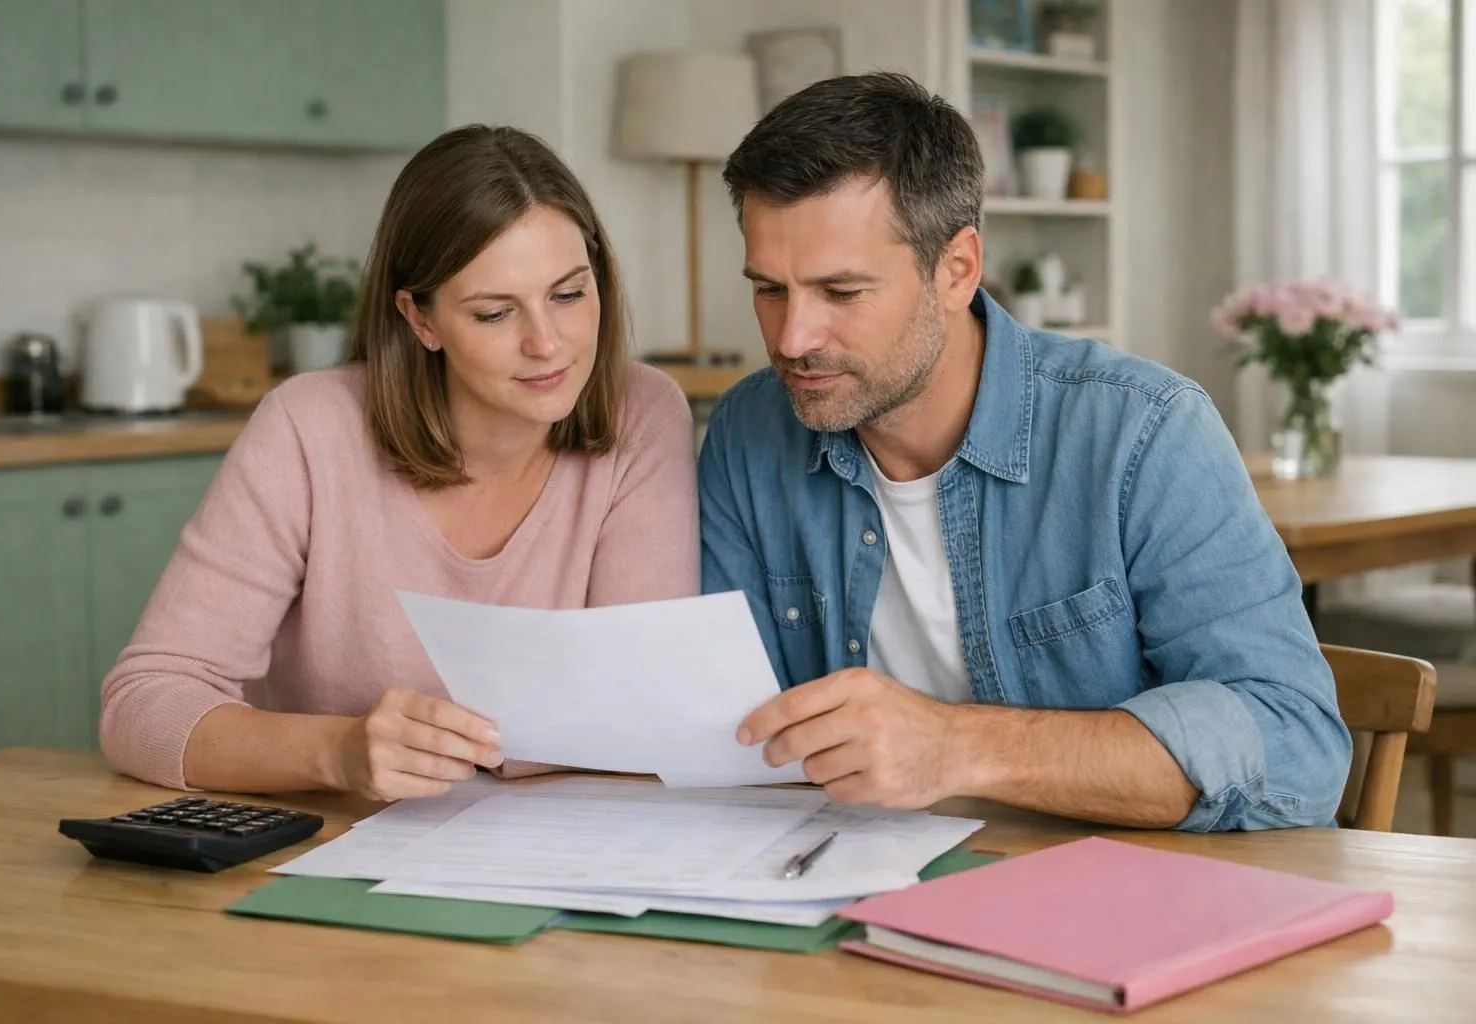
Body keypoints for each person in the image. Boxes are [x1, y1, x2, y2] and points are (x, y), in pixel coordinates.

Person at [701, 72, 1350, 831]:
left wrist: (954, 745)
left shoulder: (1143, 433)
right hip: (856, 888)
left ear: (957, 270)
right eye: (769, 289)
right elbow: (723, 724)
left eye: (841, 293)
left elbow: (1297, 747)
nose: (791, 339)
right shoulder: (751, 430)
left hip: (1125, 899)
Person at [102, 126, 699, 800]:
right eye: (495, 312)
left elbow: (643, 706)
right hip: (333, 847)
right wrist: (337, 751)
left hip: (563, 852)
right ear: (421, 321)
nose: (547, 343)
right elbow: (142, 706)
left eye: (569, 295)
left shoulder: (642, 413)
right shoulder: (309, 427)